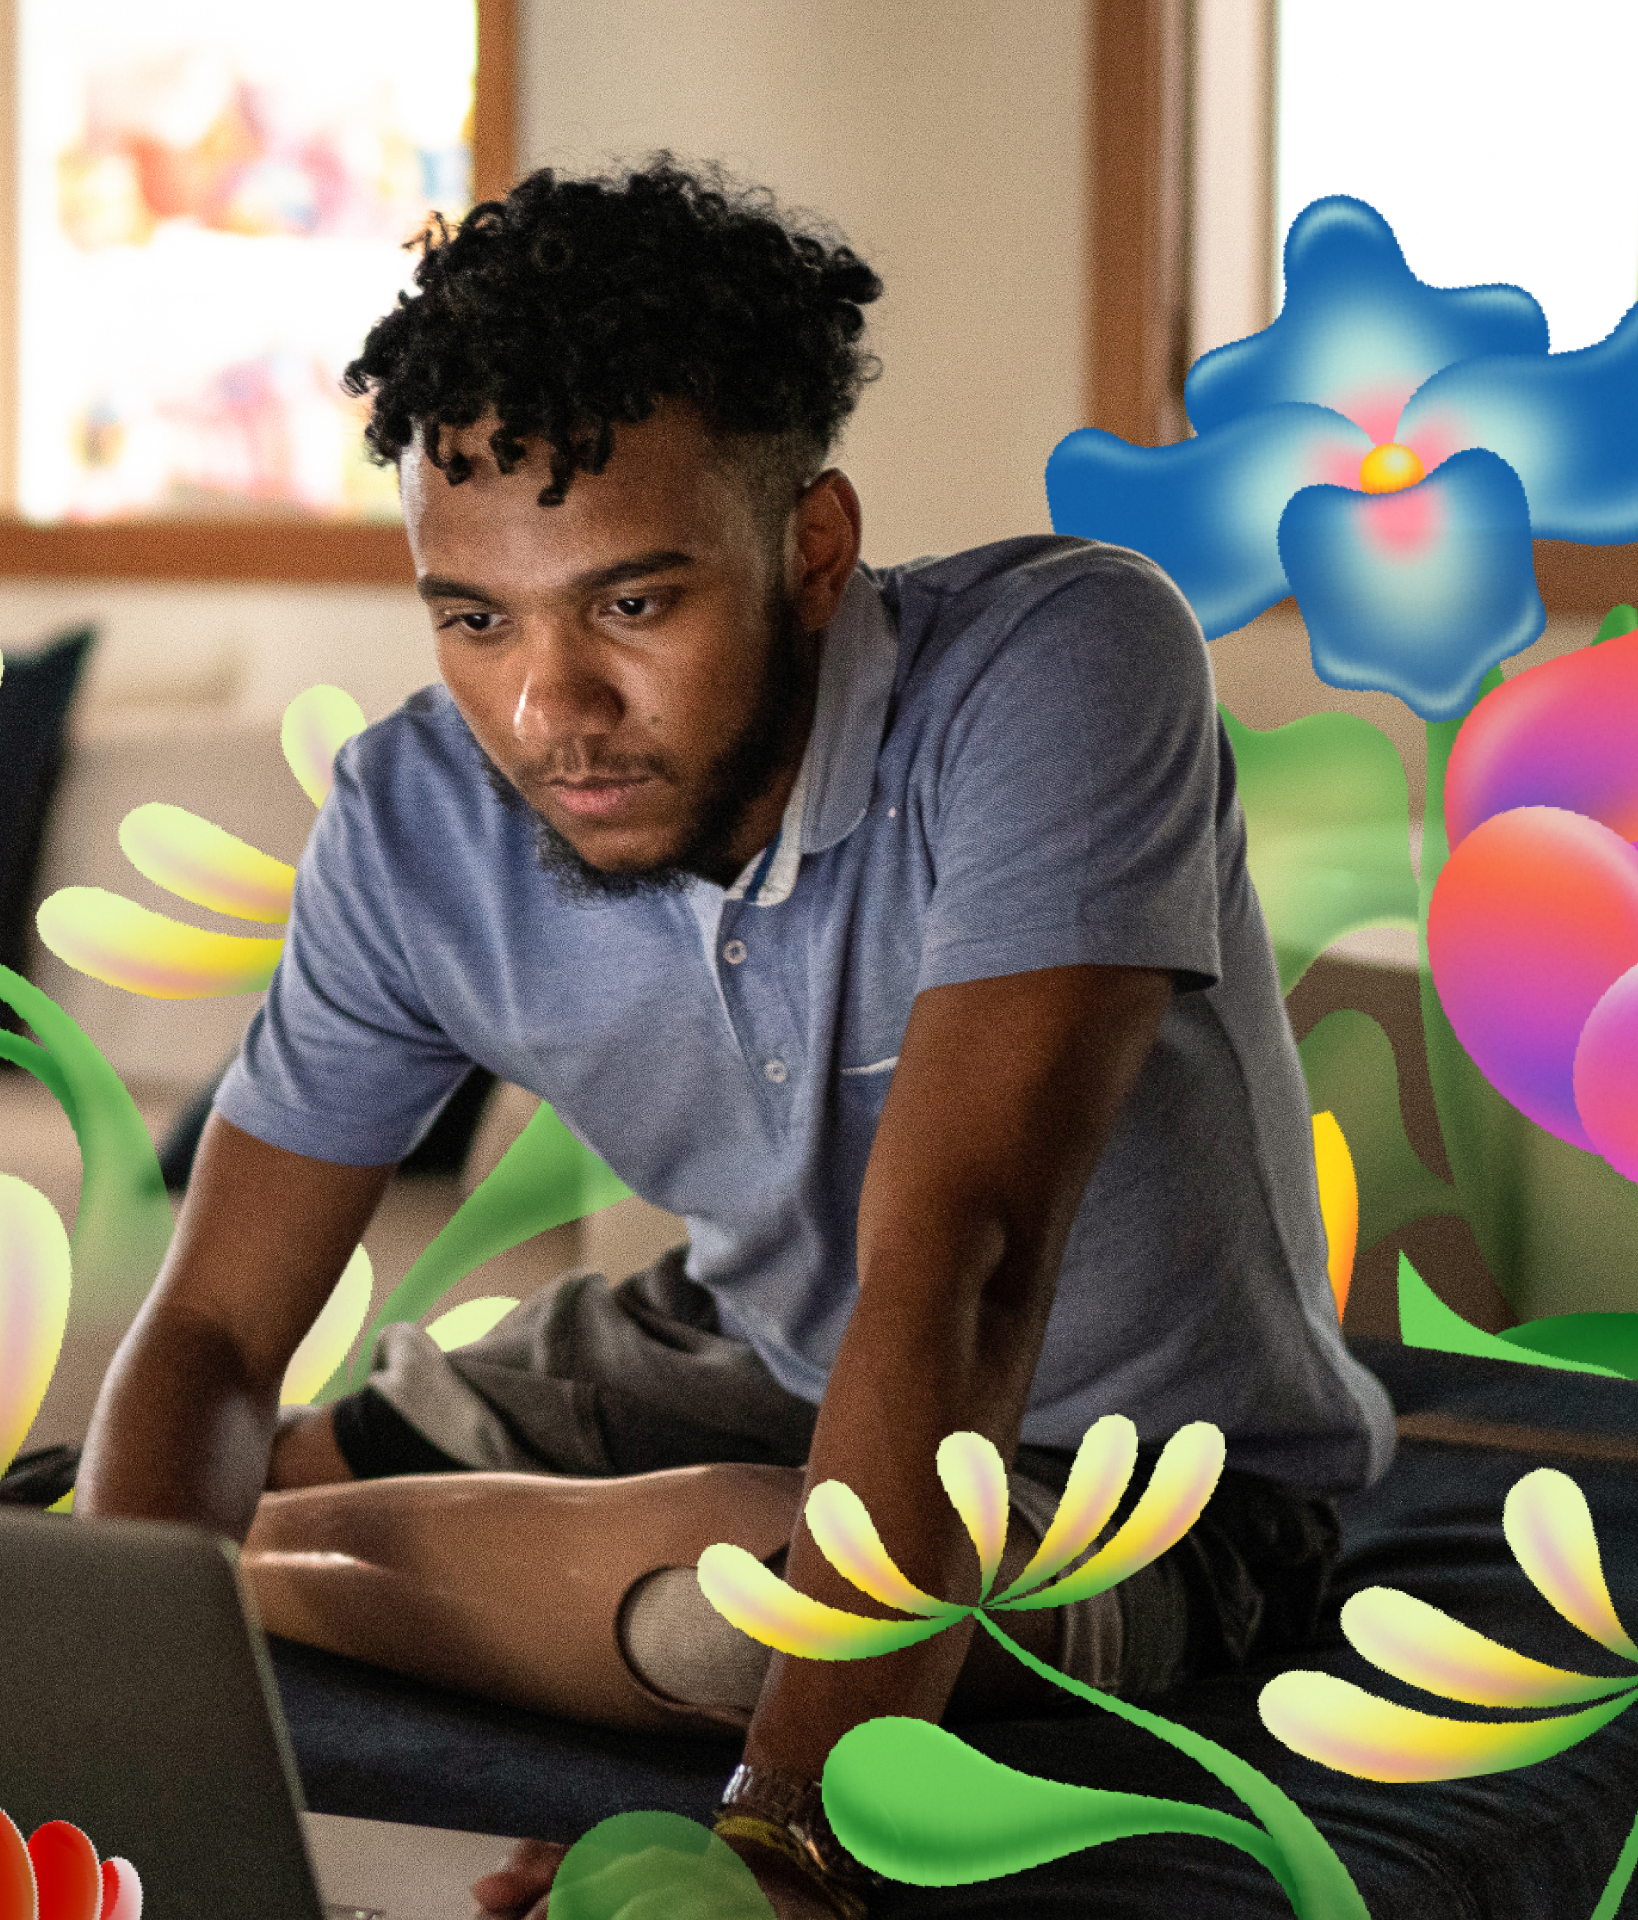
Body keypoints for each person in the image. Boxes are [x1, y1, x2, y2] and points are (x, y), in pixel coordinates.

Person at [73, 156, 1396, 1920]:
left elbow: (970, 1270)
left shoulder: (1066, 667)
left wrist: (784, 1834)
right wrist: (95, 1739)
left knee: (723, 1611)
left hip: (1138, 1480)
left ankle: (257, 1575)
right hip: (720, 1353)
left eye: (633, 604)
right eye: (474, 618)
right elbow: (224, 1326)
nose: (550, 711)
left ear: (815, 547)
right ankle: (242, 1564)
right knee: (83, 1502)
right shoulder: (410, 820)